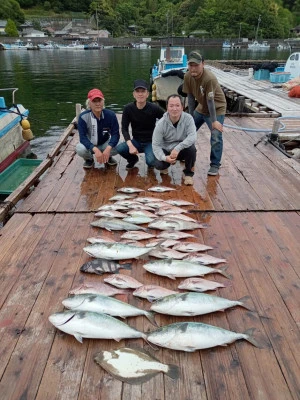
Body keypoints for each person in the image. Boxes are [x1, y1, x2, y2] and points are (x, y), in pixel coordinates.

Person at [182, 51, 227, 176]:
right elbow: (190, 97)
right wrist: (190, 116)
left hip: (216, 108)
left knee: (216, 136)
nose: (193, 68)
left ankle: (215, 164)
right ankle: (186, 154)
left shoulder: (209, 78)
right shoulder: (187, 76)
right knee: (188, 131)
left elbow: (211, 101)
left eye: (196, 65)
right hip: (201, 106)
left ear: (203, 64)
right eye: (191, 65)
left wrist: (214, 121)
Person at [116, 79, 164, 170]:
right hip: (136, 141)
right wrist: (130, 145)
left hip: (151, 142)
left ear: (147, 94)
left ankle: (151, 161)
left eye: (143, 91)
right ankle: (133, 159)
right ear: (134, 94)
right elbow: (124, 129)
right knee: (120, 148)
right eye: (137, 91)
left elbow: (166, 119)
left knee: (150, 161)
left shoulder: (154, 108)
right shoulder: (128, 109)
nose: (140, 94)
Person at [152, 94, 197, 186]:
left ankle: (188, 174)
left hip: (180, 149)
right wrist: (165, 158)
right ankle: (166, 165)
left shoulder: (188, 119)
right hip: (166, 150)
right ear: (167, 107)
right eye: (171, 106)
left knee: (192, 149)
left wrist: (178, 148)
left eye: (177, 105)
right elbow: (156, 145)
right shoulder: (160, 124)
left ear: (182, 107)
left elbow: (192, 136)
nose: (174, 109)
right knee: (158, 164)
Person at [76, 88, 120, 168]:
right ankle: (89, 159)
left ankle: (108, 156)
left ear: (103, 102)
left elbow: (115, 134)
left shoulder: (111, 115)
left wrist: (108, 148)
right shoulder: (83, 117)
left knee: (120, 146)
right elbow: (82, 138)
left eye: (99, 101)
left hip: (104, 143)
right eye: (94, 101)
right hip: (90, 145)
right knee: (80, 149)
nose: (97, 104)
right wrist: (94, 149)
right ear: (89, 103)